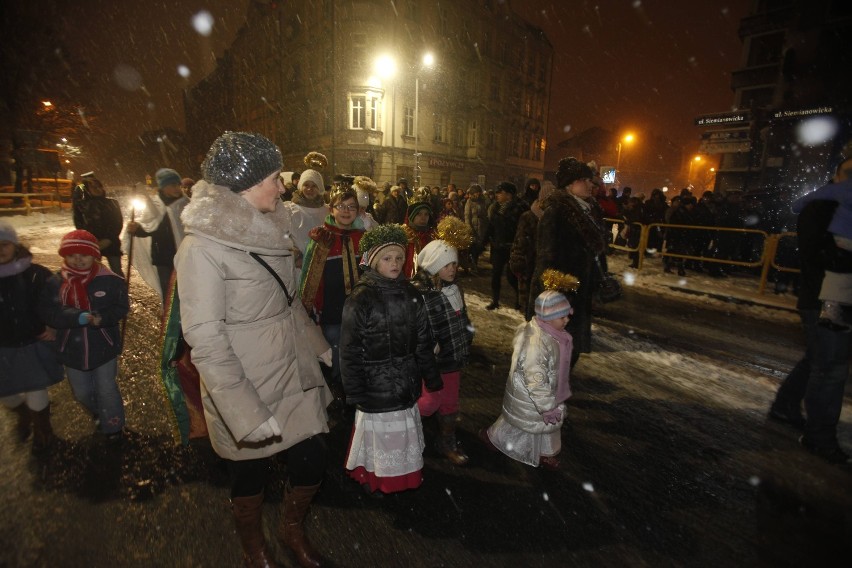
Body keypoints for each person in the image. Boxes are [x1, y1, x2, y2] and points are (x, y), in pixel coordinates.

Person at [175, 131, 333, 566]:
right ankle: (254, 547)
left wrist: (319, 346)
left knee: (312, 458)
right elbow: (204, 337)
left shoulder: (270, 225)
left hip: (292, 367)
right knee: (249, 475)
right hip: (243, 379)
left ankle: (292, 531)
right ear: (243, 184)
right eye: (274, 178)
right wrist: (242, 408)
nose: (282, 187)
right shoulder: (201, 248)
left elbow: (287, 301)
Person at [340, 224, 442, 495]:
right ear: (372, 261)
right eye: (387, 258)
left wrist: (431, 376)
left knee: (401, 437)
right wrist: (354, 390)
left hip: (406, 381)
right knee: (382, 438)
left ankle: (404, 477)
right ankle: (376, 478)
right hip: (375, 386)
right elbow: (349, 349)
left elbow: (423, 341)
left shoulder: (412, 295)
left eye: (399, 258)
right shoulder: (360, 298)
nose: (395, 263)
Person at [769, 157, 852, 465]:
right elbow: (817, 255)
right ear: (837, 175)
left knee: (820, 360)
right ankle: (819, 438)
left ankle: (785, 405)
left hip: (837, 296)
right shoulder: (821, 206)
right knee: (830, 369)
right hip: (826, 297)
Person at [480, 290, 574, 470]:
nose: (566, 320)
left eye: (567, 316)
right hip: (531, 395)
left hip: (546, 392)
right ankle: (493, 438)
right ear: (547, 317)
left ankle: (546, 452)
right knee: (521, 424)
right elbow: (536, 380)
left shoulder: (554, 335)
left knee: (545, 426)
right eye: (562, 317)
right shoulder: (536, 344)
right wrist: (547, 406)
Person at [530, 157, 608, 368]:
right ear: (570, 183)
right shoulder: (557, 212)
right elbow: (546, 257)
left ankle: (556, 390)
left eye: (590, 180)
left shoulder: (590, 211)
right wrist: (552, 295)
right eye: (584, 180)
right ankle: (548, 394)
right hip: (561, 294)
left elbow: (596, 253)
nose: (591, 184)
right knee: (557, 350)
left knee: (570, 350)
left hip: (580, 292)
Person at [55, 230, 129, 442]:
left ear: (95, 256)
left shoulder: (110, 280)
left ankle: (114, 426)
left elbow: (121, 307)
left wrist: (103, 318)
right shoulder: (56, 282)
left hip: (103, 344)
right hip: (72, 347)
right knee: (82, 392)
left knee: (106, 389)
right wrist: (72, 317)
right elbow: (49, 310)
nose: (77, 260)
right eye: (71, 255)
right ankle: (99, 412)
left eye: (84, 255)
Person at [411, 224, 474, 466]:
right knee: (429, 401)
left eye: (454, 264)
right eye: (446, 265)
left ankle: (446, 440)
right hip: (433, 361)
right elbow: (416, 327)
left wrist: (468, 337)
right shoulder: (421, 293)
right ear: (434, 265)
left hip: (454, 358)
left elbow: (463, 318)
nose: (452, 269)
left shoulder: (454, 288)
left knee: (450, 401)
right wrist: (429, 344)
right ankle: (403, 428)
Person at [0, 221, 64, 453]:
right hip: (3, 345)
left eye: (5, 244)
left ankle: (43, 427)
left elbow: (55, 302)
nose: (1, 250)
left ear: (15, 245)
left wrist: (53, 324)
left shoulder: (35, 274)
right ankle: (23, 413)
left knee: (35, 387)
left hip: (31, 342)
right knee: (6, 392)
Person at [299, 189, 365, 407]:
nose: (346, 211)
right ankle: (337, 386)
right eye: (341, 206)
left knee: (357, 347)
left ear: (359, 210)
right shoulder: (323, 236)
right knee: (335, 347)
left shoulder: (363, 238)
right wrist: (312, 309)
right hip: (331, 308)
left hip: (358, 308)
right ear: (331, 209)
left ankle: (355, 385)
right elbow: (312, 275)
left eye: (351, 207)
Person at [791, 177, 852, 329]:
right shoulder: (843, 189)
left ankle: (831, 311)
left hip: (842, 235)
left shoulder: (842, 188)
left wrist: (797, 206)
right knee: (839, 275)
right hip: (844, 236)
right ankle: (831, 312)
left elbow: (806, 200)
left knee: (838, 277)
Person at [125, 167, 189, 305]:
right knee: (168, 293)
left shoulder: (186, 204)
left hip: (185, 257)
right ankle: (170, 323)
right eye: (173, 185)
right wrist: (137, 229)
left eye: (178, 185)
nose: (177, 188)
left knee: (187, 291)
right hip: (163, 258)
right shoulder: (154, 204)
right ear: (163, 187)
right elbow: (150, 227)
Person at [510, 181, 555, 316]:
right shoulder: (528, 217)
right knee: (531, 304)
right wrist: (518, 262)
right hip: (530, 264)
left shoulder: (556, 218)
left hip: (550, 268)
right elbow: (520, 242)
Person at [485, 181, 528, 310]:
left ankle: (519, 300)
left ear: (509, 195)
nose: (497, 195)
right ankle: (495, 301)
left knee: (512, 276)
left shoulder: (520, 208)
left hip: (512, 248)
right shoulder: (496, 208)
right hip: (498, 247)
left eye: (500, 192)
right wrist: (482, 242)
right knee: (496, 275)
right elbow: (491, 227)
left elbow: (522, 229)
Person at [72, 173, 125, 276]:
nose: (97, 189)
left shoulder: (112, 203)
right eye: (93, 187)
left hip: (111, 243)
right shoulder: (82, 205)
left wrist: (108, 239)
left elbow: (117, 223)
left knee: (117, 272)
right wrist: (91, 241)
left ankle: (120, 290)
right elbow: (79, 224)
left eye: (99, 186)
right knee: (92, 272)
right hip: (92, 244)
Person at [286, 167, 329, 259]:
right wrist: (295, 254)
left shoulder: (328, 211)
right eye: (306, 185)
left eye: (314, 186)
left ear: (320, 188)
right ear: (301, 186)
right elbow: (282, 236)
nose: (310, 189)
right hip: (298, 266)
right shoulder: (289, 209)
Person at [402, 201, 434, 278]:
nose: (423, 217)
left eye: (426, 214)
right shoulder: (405, 235)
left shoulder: (432, 235)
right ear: (412, 217)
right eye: (419, 214)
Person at [464, 184, 490, 270]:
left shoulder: (482, 201)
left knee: (479, 246)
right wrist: (469, 228)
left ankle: (475, 261)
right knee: (473, 246)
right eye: (475, 193)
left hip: (481, 227)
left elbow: (485, 213)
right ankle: (471, 263)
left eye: (478, 193)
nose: (477, 194)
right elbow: (467, 216)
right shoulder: (469, 202)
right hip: (473, 227)